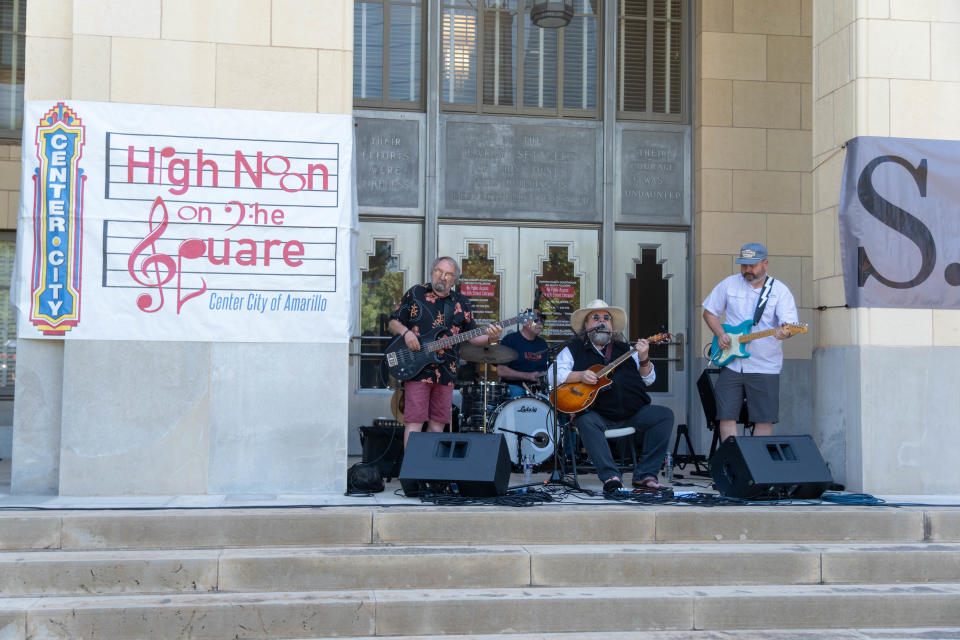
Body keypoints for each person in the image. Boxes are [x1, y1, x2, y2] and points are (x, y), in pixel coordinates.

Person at [554, 299, 674, 494]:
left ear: (611, 326)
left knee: (664, 415)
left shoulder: (627, 350)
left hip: (632, 412)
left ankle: (646, 476)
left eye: (606, 318)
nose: (602, 321)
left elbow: (649, 379)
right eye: (596, 318)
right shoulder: (574, 349)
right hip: (598, 414)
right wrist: (580, 375)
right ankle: (611, 477)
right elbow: (554, 374)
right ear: (586, 325)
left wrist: (644, 359)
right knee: (585, 421)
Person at [388, 256, 502, 448]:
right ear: (432, 272)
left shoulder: (462, 303)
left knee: (438, 424)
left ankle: (432, 472)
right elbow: (392, 322)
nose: (442, 276)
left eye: (448, 274)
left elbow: (472, 337)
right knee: (414, 422)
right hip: (417, 370)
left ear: (454, 279)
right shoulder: (415, 293)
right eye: (439, 271)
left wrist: (492, 337)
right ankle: (412, 475)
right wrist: (406, 333)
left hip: (446, 372)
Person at [702, 242, 799, 442]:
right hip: (732, 363)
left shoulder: (779, 291)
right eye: (743, 265)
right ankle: (734, 463)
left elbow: (789, 325)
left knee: (764, 419)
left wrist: (786, 333)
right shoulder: (729, 284)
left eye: (752, 266)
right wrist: (720, 334)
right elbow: (709, 312)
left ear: (765, 264)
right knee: (726, 415)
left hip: (765, 365)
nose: (747, 270)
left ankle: (756, 466)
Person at [497, 310, 549, 398]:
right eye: (536, 320)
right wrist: (528, 376)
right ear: (525, 323)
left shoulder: (542, 344)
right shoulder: (510, 340)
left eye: (542, 321)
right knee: (517, 393)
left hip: (538, 389)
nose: (539, 323)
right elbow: (501, 371)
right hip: (515, 386)